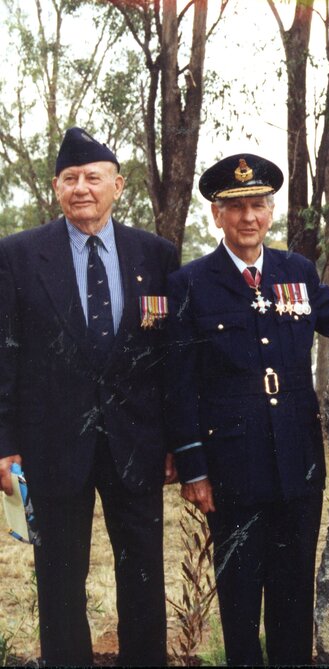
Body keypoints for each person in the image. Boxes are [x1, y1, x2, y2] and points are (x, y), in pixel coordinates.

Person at [165, 153, 329, 666]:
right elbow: (178, 385)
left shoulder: (296, 271)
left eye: (258, 205)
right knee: (240, 606)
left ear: (270, 210)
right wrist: (194, 469)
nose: (249, 218)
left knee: (292, 598)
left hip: (298, 467)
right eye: (235, 207)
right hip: (230, 471)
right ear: (216, 215)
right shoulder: (190, 284)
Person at [0, 127, 178, 665]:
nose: (82, 187)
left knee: (144, 576)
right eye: (70, 178)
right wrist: (4, 444)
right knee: (58, 582)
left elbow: (168, 357)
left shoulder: (157, 254)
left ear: (117, 186)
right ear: (55, 187)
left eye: (93, 177)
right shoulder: (18, 255)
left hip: (137, 443)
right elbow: (4, 354)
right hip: (52, 445)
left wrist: (174, 441)